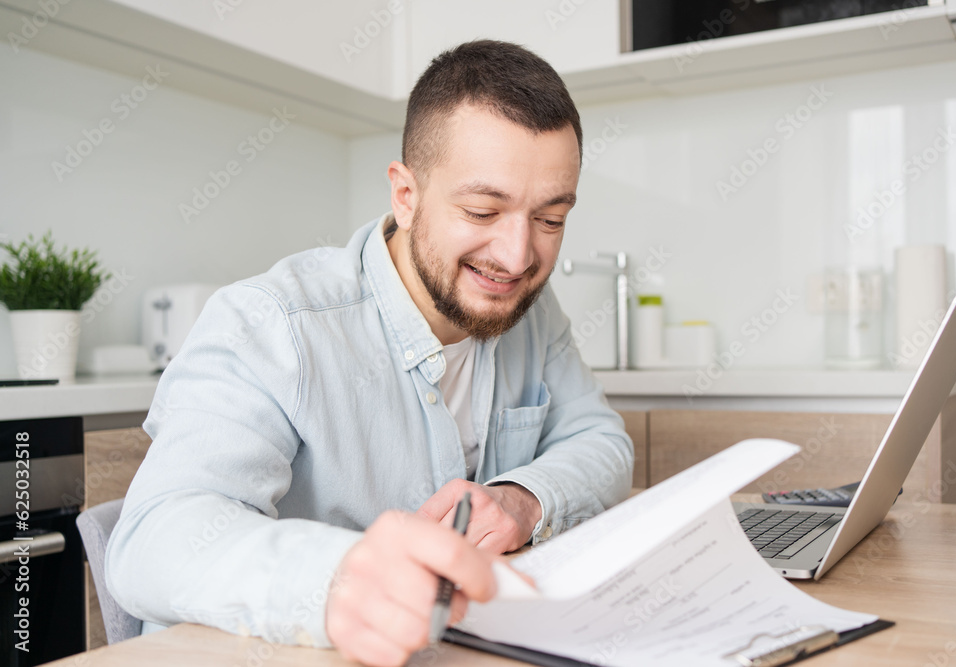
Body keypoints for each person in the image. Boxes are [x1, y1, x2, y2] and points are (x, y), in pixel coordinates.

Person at [105, 39, 633, 667]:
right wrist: (338, 581)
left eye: (550, 220)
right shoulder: (271, 324)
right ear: (405, 196)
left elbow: (602, 442)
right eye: (482, 210)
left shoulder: (531, 314)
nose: (517, 257)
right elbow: (154, 538)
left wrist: (524, 497)